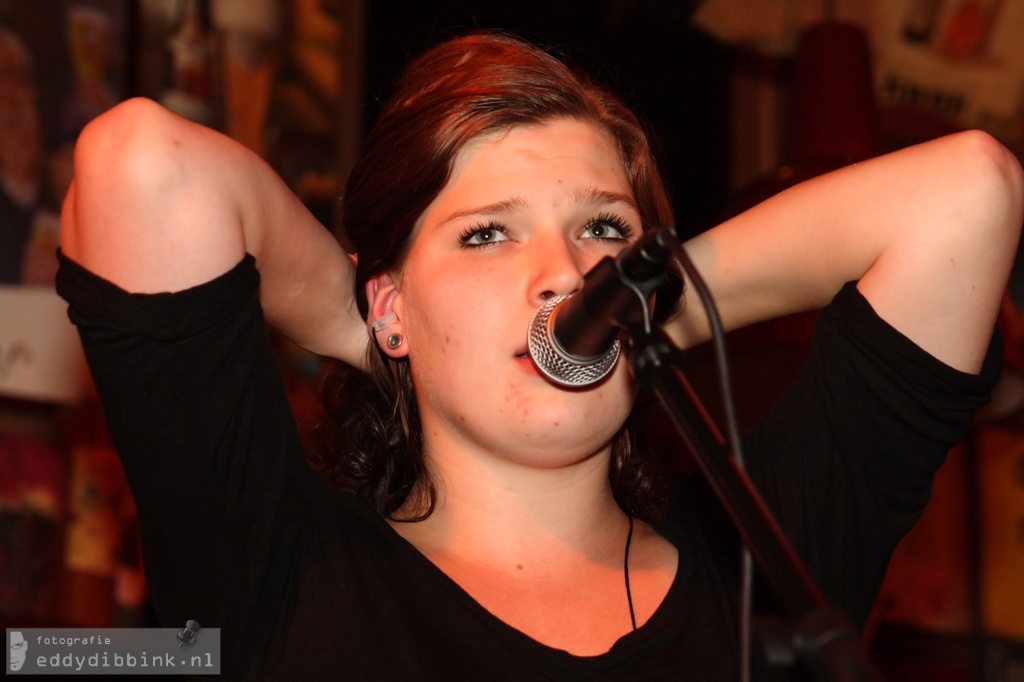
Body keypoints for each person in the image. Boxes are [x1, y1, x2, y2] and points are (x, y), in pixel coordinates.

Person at [56, 33, 1022, 680]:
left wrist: (643, 305)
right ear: (392, 302)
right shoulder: (288, 574)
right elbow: (144, 167)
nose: (565, 273)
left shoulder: (759, 569)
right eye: (486, 235)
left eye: (604, 228)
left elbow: (966, 195)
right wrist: (362, 332)